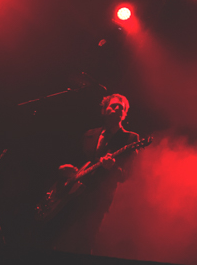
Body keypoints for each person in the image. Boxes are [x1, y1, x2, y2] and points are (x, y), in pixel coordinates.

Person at [50, 93, 140, 254]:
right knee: (59, 237)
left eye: (121, 108)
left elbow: (127, 174)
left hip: (97, 199)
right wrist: (63, 168)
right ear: (104, 110)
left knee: (84, 242)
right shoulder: (89, 134)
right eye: (113, 105)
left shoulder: (130, 139)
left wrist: (112, 167)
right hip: (71, 194)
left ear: (125, 114)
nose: (117, 109)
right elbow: (75, 159)